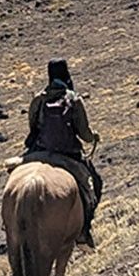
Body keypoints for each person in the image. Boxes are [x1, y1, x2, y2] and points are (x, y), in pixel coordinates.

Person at [24, 58, 101, 246]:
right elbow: (83, 133)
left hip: (40, 151)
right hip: (68, 153)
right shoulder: (73, 99)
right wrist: (94, 138)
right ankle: (84, 230)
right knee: (95, 184)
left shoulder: (38, 99)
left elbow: (33, 126)